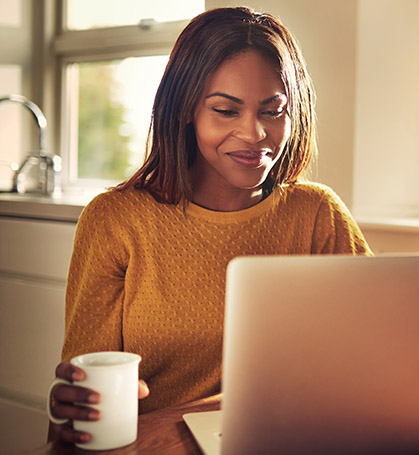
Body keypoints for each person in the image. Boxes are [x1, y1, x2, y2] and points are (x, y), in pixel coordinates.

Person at [48, 7, 371, 445]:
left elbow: (376, 355)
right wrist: (73, 406)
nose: (255, 133)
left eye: (273, 111)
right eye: (226, 110)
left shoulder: (318, 215)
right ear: (185, 109)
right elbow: (81, 398)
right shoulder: (116, 220)